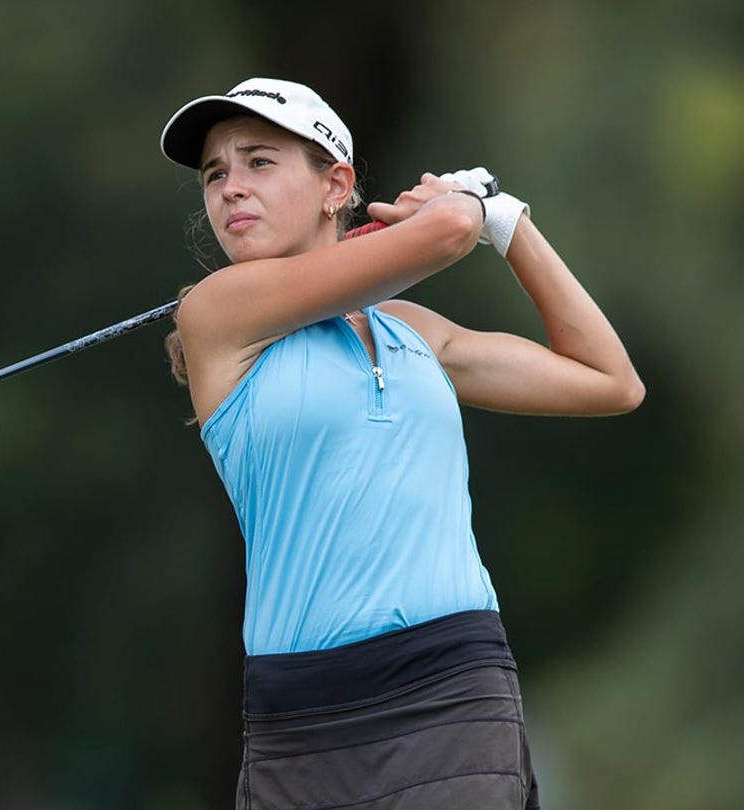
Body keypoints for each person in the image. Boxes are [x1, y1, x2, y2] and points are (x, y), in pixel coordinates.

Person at [158, 78, 644, 809]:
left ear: (336, 187)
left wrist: (508, 223)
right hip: (302, 722)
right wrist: (462, 207)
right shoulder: (216, 314)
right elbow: (445, 233)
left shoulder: (414, 331)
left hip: (454, 692)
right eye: (215, 174)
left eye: (259, 162)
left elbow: (609, 381)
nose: (231, 188)